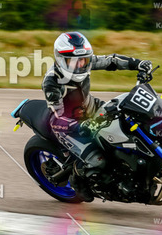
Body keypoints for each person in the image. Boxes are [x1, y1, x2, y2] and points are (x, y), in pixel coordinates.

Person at [43, 31, 152, 201]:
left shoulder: (85, 61)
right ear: (60, 59)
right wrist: (80, 126)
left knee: (127, 123)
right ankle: (77, 179)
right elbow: (57, 117)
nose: (80, 65)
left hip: (90, 107)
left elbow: (111, 61)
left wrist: (138, 64)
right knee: (97, 161)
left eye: (83, 60)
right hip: (67, 126)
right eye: (73, 61)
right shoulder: (51, 82)